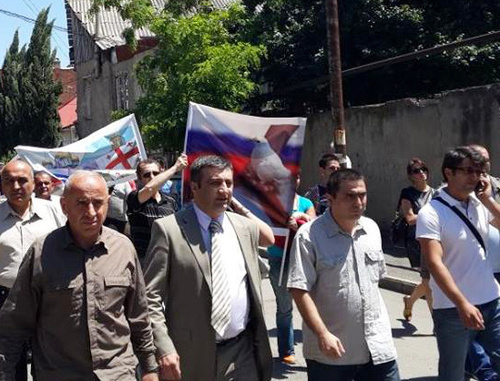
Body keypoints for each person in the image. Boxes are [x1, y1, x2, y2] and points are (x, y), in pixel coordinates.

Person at [0, 171, 159, 381]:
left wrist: (149, 368)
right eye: (82, 203)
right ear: (65, 206)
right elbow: (14, 325)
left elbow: (138, 315)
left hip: (117, 373)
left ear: (108, 204)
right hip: (59, 374)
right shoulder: (42, 253)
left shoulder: (123, 249)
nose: (91, 212)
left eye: (98, 202)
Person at [143, 155, 274, 381]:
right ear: (194, 187)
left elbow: (269, 239)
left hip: (242, 353)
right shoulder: (169, 231)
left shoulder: (245, 228)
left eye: (229, 183)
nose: (224, 190)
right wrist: (164, 347)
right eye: (215, 183)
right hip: (192, 355)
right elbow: (150, 297)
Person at [288, 169, 400, 380]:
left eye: (362, 195)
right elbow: (299, 289)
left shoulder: (372, 229)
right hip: (331, 353)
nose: (358, 202)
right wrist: (322, 334)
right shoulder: (310, 236)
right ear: (330, 199)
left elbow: (375, 284)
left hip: (377, 346)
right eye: (350, 196)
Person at [417, 146, 500, 381]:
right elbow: (434, 262)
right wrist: (462, 304)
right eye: (468, 171)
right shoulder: (431, 213)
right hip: (454, 310)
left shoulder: (478, 203)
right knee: (453, 374)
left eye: (478, 171)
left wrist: (487, 200)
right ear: (449, 173)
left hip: (491, 302)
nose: (475, 177)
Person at [0, 160, 65, 381]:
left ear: (33, 183)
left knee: (50, 361)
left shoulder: (55, 211)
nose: (16, 186)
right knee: (8, 364)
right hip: (6, 302)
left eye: (22, 180)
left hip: (49, 300)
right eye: (9, 181)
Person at [267, 173, 316, 365]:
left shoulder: (306, 203)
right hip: (280, 258)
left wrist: (300, 222)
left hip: (303, 258)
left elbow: (314, 226)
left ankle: (315, 350)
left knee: (312, 305)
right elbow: (265, 225)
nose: (292, 181)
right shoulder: (273, 202)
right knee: (285, 306)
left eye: (296, 177)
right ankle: (286, 350)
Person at [127, 154, 187, 263]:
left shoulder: (170, 200)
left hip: (170, 258)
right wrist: (175, 167)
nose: (152, 177)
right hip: (145, 259)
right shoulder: (134, 198)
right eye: (147, 175)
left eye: (156, 173)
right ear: (139, 178)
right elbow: (150, 188)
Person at [399, 158, 435, 321]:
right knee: (428, 282)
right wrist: (431, 215)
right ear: (411, 176)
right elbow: (409, 218)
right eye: (416, 171)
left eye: (423, 169)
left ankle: (410, 300)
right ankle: (436, 321)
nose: (421, 173)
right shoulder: (407, 193)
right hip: (419, 241)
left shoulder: (436, 193)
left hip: (437, 239)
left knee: (428, 282)